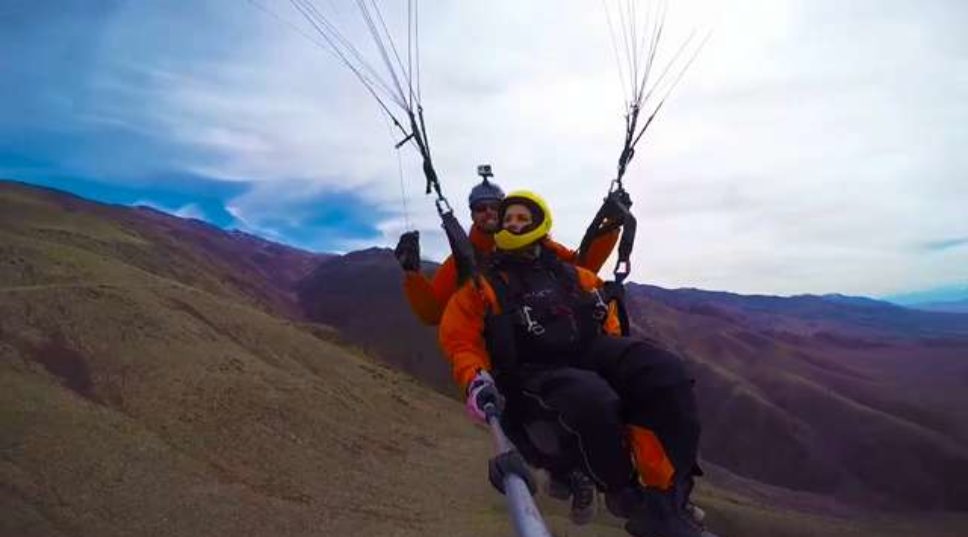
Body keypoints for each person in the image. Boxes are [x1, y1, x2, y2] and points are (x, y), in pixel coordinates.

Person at [439, 191, 708, 537]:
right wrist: (474, 378)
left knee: (664, 373)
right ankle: (625, 493)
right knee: (592, 399)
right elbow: (460, 340)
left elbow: (603, 309)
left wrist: (617, 348)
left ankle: (668, 495)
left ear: (540, 224)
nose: (514, 225)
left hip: (588, 350)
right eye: (508, 220)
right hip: (531, 371)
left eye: (522, 219)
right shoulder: (484, 285)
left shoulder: (570, 274)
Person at [393, 177, 619, 326]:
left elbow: (581, 269)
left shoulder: (538, 246)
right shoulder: (463, 260)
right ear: (472, 215)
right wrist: (412, 274)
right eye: (481, 208)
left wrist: (610, 226)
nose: (489, 213)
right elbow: (432, 314)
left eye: (495, 207)